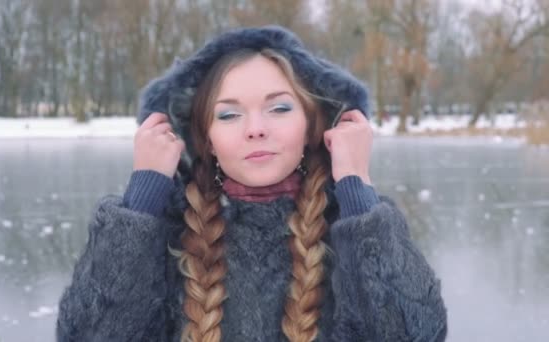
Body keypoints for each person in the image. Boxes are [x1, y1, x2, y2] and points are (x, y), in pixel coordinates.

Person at [56, 25, 447, 342]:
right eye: (228, 115)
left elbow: (415, 335)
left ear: (313, 125)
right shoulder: (168, 233)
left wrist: (357, 188)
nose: (256, 130)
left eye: (279, 108)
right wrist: (142, 199)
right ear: (205, 137)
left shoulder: (355, 231)